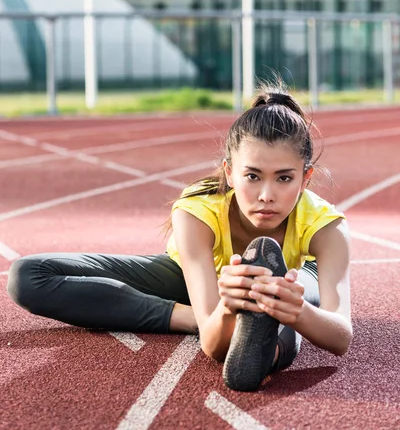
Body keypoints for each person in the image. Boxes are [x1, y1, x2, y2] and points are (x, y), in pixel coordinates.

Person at [7, 82, 352, 392]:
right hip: (191, 282)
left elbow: (340, 336)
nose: (266, 195)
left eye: (283, 178)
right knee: (28, 276)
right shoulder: (196, 212)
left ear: (306, 179)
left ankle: (270, 333)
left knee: (286, 293)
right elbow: (214, 346)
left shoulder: (327, 227)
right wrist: (225, 307)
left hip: (292, 279)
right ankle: (225, 319)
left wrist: (295, 311)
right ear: (230, 173)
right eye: (252, 176)